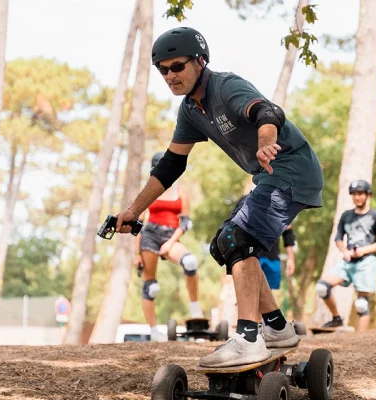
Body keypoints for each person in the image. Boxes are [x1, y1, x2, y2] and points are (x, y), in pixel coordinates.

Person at [115, 27, 324, 368]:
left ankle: (248, 338)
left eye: (177, 66)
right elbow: (170, 165)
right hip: (270, 176)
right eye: (162, 69)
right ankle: (277, 328)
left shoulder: (225, 86)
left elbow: (267, 112)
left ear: (200, 61)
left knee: (239, 239)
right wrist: (133, 210)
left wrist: (264, 143)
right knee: (224, 244)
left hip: (290, 170)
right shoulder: (190, 111)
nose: (170, 75)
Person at [133, 152, 203, 343]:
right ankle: (154, 330)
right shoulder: (149, 190)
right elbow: (137, 226)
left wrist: (170, 243)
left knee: (190, 262)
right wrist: (137, 253)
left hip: (171, 235)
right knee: (151, 287)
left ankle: (195, 307)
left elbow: (185, 223)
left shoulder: (181, 192)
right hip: (150, 235)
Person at [316, 180, 376, 332]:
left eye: (360, 194)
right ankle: (337, 319)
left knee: (361, 304)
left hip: (367, 261)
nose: (357, 197)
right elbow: (338, 238)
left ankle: (361, 338)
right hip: (348, 261)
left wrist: (364, 250)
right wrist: (344, 251)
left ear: (368, 195)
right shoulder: (346, 215)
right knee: (322, 287)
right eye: (354, 194)